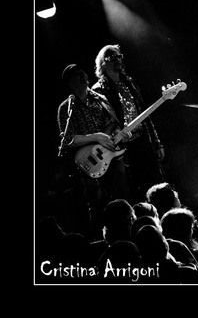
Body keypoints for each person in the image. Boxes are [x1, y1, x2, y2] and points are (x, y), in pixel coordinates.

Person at [56, 64, 129, 238]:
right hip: (87, 161)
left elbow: (113, 123)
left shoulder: (100, 99)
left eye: (83, 73)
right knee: (96, 203)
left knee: (121, 196)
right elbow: (68, 139)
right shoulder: (66, 107)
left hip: (111, 155)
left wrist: (120, 132)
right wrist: (96, 137)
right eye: (77, 75)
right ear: (70, 82)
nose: (83, 77)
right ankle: (100, 238)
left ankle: (125, 233)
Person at [91, 44, 165, 203]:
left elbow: (145, 114)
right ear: (103, 63)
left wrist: (156, 142)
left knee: (155, 184)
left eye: (119, 56)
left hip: (142, 139)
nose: (118, 60)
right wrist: (113, 132)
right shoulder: (98, 90)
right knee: (133, 191)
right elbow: (98, 122)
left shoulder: (129, 83)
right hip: (121, 148)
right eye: (112, 57)